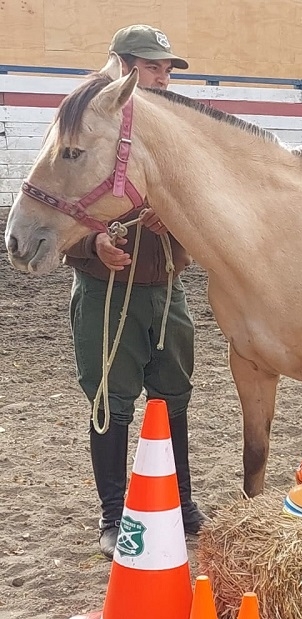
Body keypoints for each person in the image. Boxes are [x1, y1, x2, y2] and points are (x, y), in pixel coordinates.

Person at [64, 25, 206, 559]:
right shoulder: (85, 121)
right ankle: (112, 512)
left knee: (174, 397)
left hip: (167, 285)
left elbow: (203, 205)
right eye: (151, 67)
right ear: (120, 66)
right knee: (111, 401)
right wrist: (92, 245)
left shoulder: (173, 128)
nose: (162, 77)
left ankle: (182, 502)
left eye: (166, 68)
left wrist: (179, 221)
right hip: (106, 291)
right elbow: (60, 202)